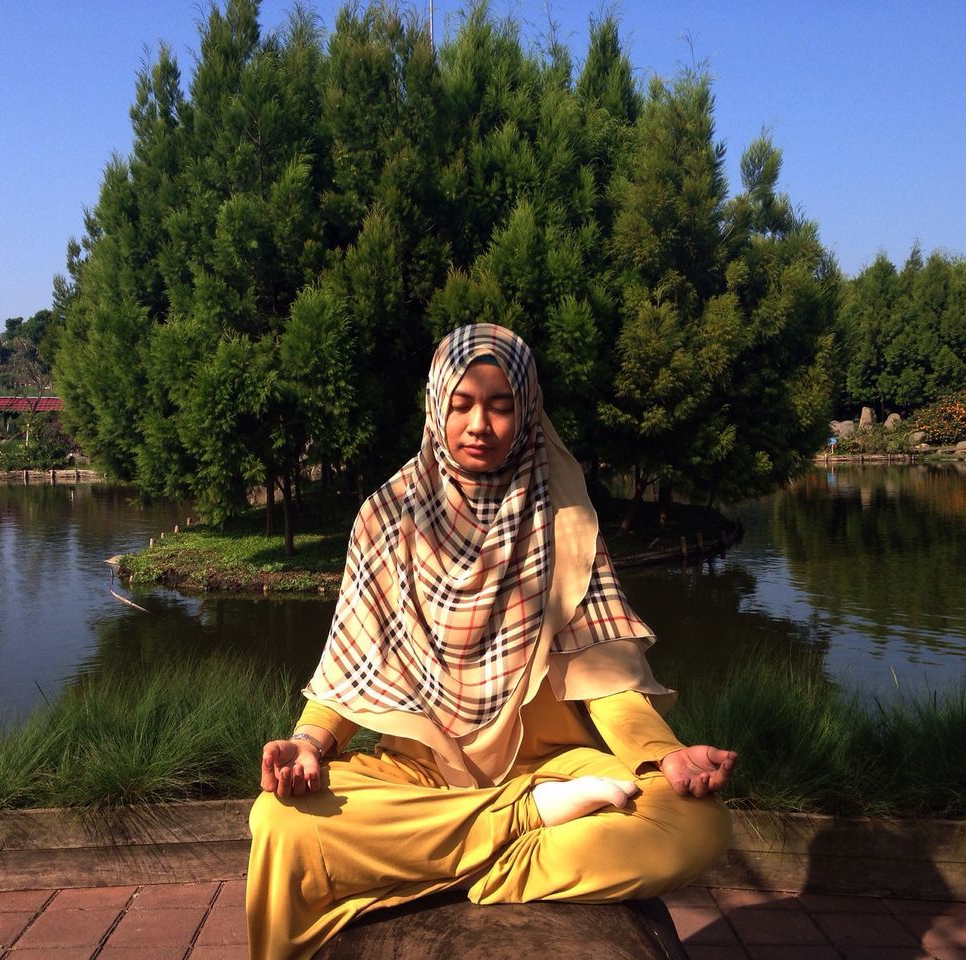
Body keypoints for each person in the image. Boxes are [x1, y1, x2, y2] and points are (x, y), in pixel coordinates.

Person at [247, 323, 736, 960]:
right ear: (436, 407)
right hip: (418, 774)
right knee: (278, 822)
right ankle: (523, 822)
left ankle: (441, 856)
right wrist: (308, 743)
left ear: (527, 413)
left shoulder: (564, 522)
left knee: (696, 826)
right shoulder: (385, 517)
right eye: (463, 404)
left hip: (550, 766)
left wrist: (661, 757)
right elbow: (351, 672)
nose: (480, 425)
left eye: (502, 407)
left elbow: (608, 678)